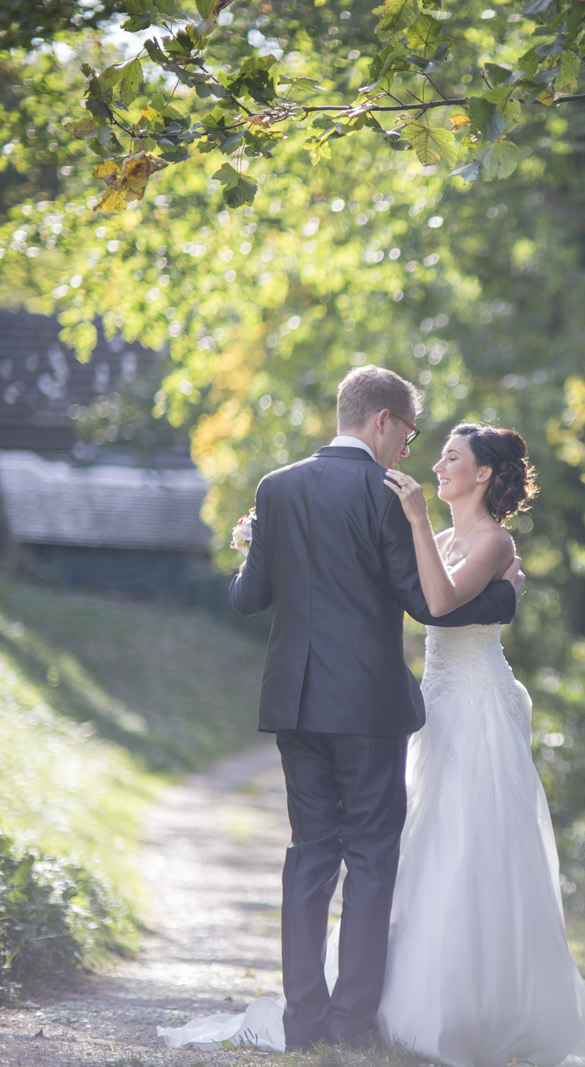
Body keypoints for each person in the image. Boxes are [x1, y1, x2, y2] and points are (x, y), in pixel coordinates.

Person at [173, 366, 525, 1051]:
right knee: (370, 856)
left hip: (295, 702)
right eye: (410, 433)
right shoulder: (387, 495)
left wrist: (253, 546)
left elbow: (249, 599)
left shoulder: (276, 487)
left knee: (309, 854)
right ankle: (351, 1022)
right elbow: (428, 601)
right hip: (367, 705)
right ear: (383, 420)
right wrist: (503, 600)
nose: (409, 451)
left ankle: (303, 1021)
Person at [374, 422, 585, 1066]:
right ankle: (422, 992)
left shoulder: (495, 540)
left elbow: (437, 603)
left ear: (483, 475)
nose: (437, 467)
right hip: (437, 703)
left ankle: (483, 1007)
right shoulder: (449, 538)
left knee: (477, 839)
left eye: (450, 458)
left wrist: (414, 516)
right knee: (431, 838)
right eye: (439, 456)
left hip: (478, 705)